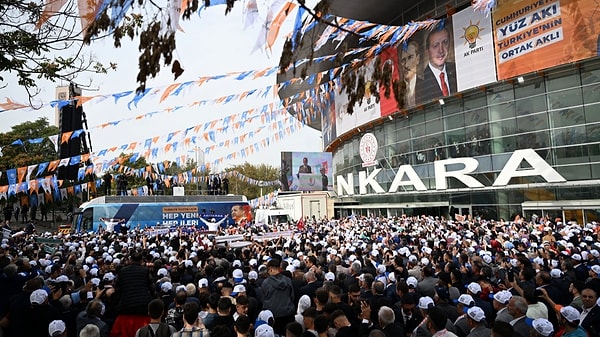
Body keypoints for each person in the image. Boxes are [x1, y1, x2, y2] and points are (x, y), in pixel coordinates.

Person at [415, 26, 457, 103]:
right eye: (435, 45)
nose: (441, 50)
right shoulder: (421, 82)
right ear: (428, 51)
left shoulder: (456, 69)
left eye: (445, 42)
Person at [260, 259, 295, 336]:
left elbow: (263, 299)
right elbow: (292, 297)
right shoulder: (288, 280)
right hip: (288, 314)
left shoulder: (265, 283)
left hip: (273, 316)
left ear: (270, 269)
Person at [399, 40, 421, 107]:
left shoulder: (426, 85)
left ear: (418, 59)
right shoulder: (398, 92)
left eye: (410, 57)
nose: (406, 65)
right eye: (403, 60)